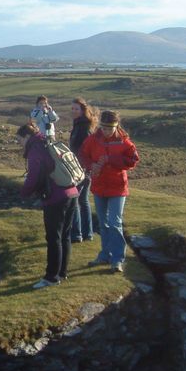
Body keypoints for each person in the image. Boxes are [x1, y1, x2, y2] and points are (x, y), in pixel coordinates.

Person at [18, 121, 79, 288]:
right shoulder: (48, 141)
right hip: (71, 192)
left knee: (54, 238)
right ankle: (62, 273)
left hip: (56, 198)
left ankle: (51, 278)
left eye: (20, 140)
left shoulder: (35, 149)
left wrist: (24, 192)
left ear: (27, 136)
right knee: (65, 235)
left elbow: (34, 176)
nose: (20, 144)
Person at [78, 110, 140, 273]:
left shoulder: (124, 142)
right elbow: (83, 155)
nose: (105, 132)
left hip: (117, 188)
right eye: (103, 128)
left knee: (114, 222)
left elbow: (133, 160)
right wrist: (91, 165)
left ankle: (117, 259)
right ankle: (105, 255)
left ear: (116, 126)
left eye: (109, 129)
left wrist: (111, 160)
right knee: (104, 224)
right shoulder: (92, 140)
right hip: (99, 187)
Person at [69, 97, 97, 243]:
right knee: (83, 200)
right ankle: (87, 233)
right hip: (81, 169)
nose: (73, 111)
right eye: (72, 108)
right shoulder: (80, 124)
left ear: (82, 110)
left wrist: (82, 168)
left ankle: (77, 234)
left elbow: (84, 151)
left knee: (74, 200)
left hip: (80, 169)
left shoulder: (83, 128)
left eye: (76, 109)